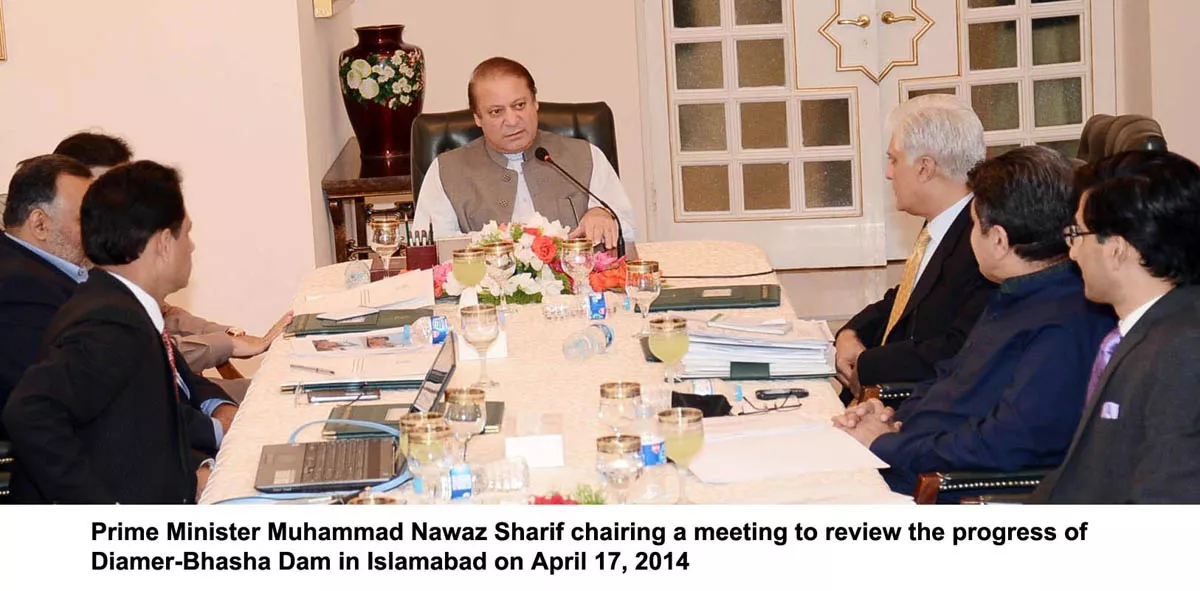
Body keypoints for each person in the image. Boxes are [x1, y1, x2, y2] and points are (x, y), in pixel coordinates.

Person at [833, 146, 1116, 499]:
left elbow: (1005, 443)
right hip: (909, 452)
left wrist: (886, 443)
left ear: (998, 240)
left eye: (972, 226)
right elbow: (951, 377)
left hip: (933, 487)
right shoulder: (1013, 292)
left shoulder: (1064, 326)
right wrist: (888, 416)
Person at [3, 161, 235, 503]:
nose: (192, 246)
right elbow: (30, 412)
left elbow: (130, 432)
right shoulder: (112, 320)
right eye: (186, 232)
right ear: (163, 243)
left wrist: (191, 478)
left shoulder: (119, 302)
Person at [52, 131, 288, 402]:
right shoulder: (76, 282)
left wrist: (227, 333)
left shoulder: (117, 267)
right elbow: (145, 353)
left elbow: (164, 316)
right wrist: (227, 344)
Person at [1031, 150, 1200, 503]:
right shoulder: (1142, 333)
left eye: (1077, 234)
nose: (1072, 253)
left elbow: (1164, 508)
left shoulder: (1183, 351)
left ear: (1117, 249)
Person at [835, 94, 996, 404]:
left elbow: (959, 348)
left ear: (924, 168)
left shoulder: (982, 242)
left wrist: (867, 363)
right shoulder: (944, 223)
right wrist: (852, 333)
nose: (889, 173)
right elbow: (904, 300)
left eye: (894, 160)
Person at [411, 57, 637, 250]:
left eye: (519, 105)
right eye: (496, 111)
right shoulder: (446, 171)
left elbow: (627, 234)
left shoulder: (585, 156)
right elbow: (432, 251)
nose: (512, 121)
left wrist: (603, 214)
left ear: (535, 103)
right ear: (478, 118)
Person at [0, 155, 93, 439]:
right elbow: (56, 404)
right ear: (40, 224)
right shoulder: (20, 287)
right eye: (85, 218)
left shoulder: (34, 271)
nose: (97, 230)